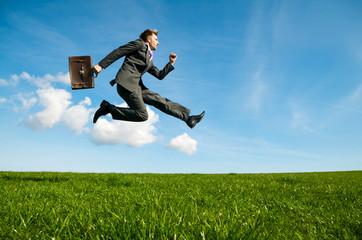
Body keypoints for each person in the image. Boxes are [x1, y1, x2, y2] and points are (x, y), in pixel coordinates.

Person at [93, 29, 205, 128]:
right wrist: (101, 65)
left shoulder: (149, 61)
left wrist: (170, 63)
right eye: (156, 39)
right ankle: (108, 108)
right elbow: (119, 51)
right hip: (126, 84)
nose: (158, 42)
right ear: (148, 39)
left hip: (137, 87)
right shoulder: (139, 44)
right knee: (142, 115)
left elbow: (160, 75)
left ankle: (188, 118)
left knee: (160, 100)